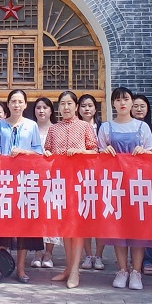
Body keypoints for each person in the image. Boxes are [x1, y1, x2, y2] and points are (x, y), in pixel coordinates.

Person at [97, 87, 152, 290]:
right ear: (113, 103)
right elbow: (99, 154)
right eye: (118, 100)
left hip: (137, 184)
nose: (122, 103)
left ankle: (136, 271)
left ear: (132, 102)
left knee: (137, 228)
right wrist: (104, 152)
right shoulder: (106, 127)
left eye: (126, 99)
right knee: (118, 228)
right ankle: (122, 269)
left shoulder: (142, 127)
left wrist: (144, 152)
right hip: (115, 185)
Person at [0, 89, 45, 283]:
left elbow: (39, 152)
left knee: (23, 225)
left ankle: (20, 268)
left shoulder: (31, 125)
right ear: (8, 104)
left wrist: (23, 152)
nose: (16, 105)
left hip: (25, 180)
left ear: (25, 105)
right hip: (3, 180)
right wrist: (0, 164)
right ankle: (1, 266)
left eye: (20, 101)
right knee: (1, 224)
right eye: (13, 101)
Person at [45, 91, 97, 288]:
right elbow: (47, 151)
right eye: (62, 104)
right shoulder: (53, 129)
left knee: (77, 226)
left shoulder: (85, 126)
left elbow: (95, 151)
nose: (66, 107)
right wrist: (47, 153)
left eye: (69, 103)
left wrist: (81, 152)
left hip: (80, 181)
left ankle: (75, 270)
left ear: (76, 106)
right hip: (59, 181)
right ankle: (68, 267)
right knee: (65, 226)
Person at [131, 94, 152, 273]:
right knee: (132, 221)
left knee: (147, 220)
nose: (139, 109)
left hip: (148, 179)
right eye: (135, 106)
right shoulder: (125, 128)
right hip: (128, 179)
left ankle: (148, 260)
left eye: (142, 106)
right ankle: (133, 261)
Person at [77, 94, 105, 270]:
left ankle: (99, 255)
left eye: (90, 105)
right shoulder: (75, 127)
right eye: (83, 106)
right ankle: (88, 255)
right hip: (80, 177)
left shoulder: (103, 127)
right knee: (84, 217)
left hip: (101, 176)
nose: (87, 109)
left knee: (100, 218)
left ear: (95, 108)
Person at [31, 96, 59, 269]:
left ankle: (48, 253)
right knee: (35, 216)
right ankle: (37, 251)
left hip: (53, 178)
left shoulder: (57, 129)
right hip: (33, 178)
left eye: (45, 107)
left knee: (51, 216)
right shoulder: (30, 128)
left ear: (51, 110)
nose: (41, 111)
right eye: (38, 107)